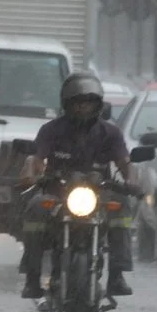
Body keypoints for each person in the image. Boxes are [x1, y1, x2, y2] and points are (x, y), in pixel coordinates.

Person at [19, 72, 139, 299]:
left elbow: (125, 162)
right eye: (78, 103)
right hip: (58, 192)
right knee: (35, 206)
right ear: (68, 104)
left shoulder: (110, 132)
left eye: (89, 103)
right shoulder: (51, 130)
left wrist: (131, 181)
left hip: (99, 192)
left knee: (121, 205)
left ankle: (117, 275)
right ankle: (32, 278)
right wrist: (30, 176)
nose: (84, 108)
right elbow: (35, 159)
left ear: (98, 105)